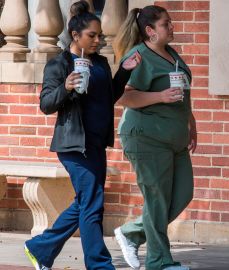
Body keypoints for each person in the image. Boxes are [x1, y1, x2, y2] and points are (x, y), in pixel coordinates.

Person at [23, 1, 141, 270]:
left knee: (85, 201)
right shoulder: (59, 64)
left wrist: (124, 70)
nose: (98, 40)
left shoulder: (99, 63)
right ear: (76, 36)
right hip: (75, 146)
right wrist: (65, 86)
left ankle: (40, 248)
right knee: (93, 204)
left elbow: (109, 96)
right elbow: (45, 105)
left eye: (99, 35)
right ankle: (99, 264)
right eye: (92, 36)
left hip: (97, 144)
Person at [112, 5, 197, 270]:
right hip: (146, 137)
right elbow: (123, 95)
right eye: (166, 24)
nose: (172, 27)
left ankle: (132, 233)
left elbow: (182, 92)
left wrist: (191, 124)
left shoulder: (171, 54)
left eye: (170, 23)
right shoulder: (138, 56)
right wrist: (160, 96)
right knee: (157, 200)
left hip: (175, 138)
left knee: (182, 194)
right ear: (150, 31)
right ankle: (159, 262)